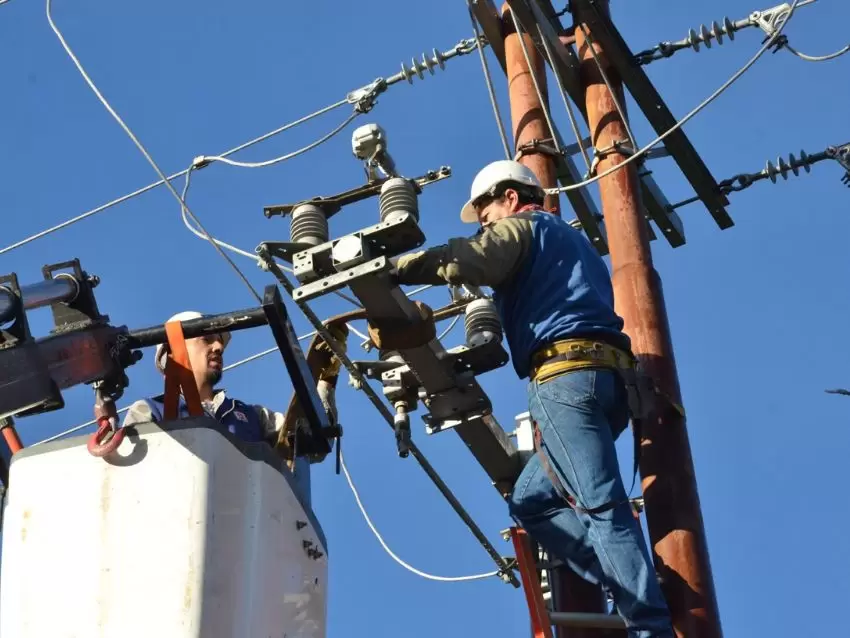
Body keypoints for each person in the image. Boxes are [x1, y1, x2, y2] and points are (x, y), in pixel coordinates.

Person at [391, 160, 674, 637]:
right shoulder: (571, 241)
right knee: (530, 501)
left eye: (486, 209)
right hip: (607, 385)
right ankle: (628, 579)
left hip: (565, 382)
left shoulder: (524, 227)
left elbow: (472, 259)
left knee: (600, 506)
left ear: (512, 197)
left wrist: (397, 266)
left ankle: (650, 625)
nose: (484, 219)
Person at [121, 311, 339, 506]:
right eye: (206, 339)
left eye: (219, 342)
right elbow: (132, 481)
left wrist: (324, 381)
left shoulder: (254, 417)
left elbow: (311, 445)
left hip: (246, 530)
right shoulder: (151, 411)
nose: (218, 347)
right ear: (174, 352)